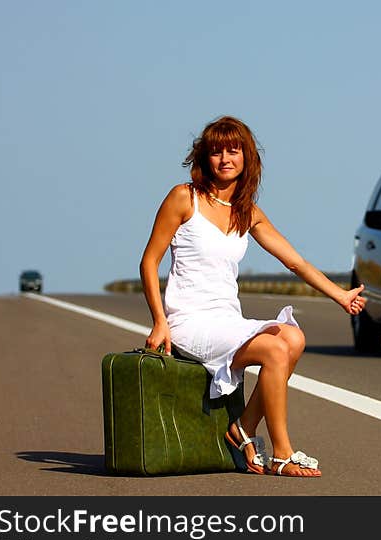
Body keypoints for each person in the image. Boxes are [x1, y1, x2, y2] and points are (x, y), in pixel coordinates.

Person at [139, 115, 366, 477]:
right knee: (276, 348)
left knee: (293, 338)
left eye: (234, 150)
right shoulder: (184, 198)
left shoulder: (247, 213)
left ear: (247, 158)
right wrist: (159, 321)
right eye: (216, 151)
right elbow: (149, 261)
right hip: (190, 322)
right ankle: (281, 453)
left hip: (227, 319)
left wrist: (340, 295)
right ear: (204, 158)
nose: (225, 158)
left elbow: (296, 262)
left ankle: (243, 427)